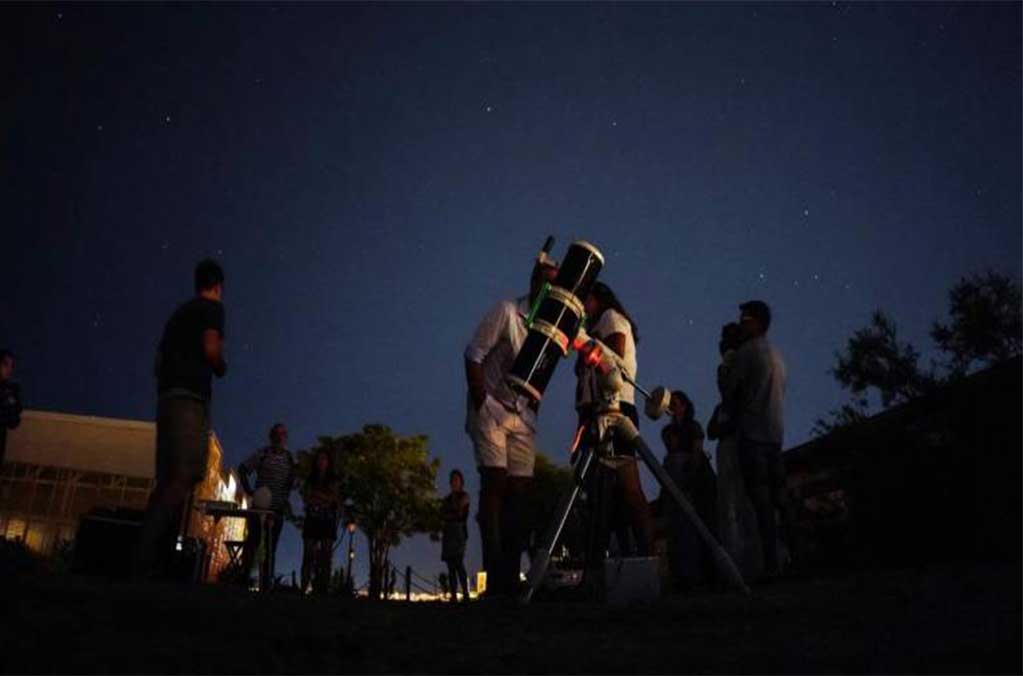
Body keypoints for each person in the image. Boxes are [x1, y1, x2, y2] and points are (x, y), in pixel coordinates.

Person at [464, 254, 557, 596]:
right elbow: (473, 354)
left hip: (522, 415)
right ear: (534, 282)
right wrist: (481, 401)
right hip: (492, 406)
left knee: (521, 494)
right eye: (547, 281)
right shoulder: (506, 312)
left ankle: (509, 573)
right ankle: (493, 571)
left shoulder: (550, 327)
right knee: (495, 483)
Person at [135, 259, 227, 579]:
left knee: (168, 478)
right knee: (184, 475)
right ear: (218, 286)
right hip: (190, 398)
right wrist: (220, 366)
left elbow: (158, 362)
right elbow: (211, 349)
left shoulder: (177, 314)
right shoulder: (212, 309)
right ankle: (145, 558)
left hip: (167, 397)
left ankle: (152, 560)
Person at [574, 282, 654, 565]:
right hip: (598, 410)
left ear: (597, 299)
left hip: (617, 408)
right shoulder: (600, 325)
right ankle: (608, 563)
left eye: (585, 300)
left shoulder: (610, 318)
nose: (583, 307)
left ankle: (649, 556)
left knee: (630, 489)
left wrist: (587, 341)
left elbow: (614, 358)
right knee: (603, 495)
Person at [721, 300, 790, 579]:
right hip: (775, 434)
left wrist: (727, 364)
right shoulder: (778, 355)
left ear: (757, 323)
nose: (741, 324)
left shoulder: (746, 353)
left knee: (760, 503)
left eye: (745, 319)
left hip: (752, 435)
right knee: (780, 501)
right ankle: (793, 557)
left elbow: (729, 391)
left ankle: (770, 565)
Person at [710, 323, 763, 579]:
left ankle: (744, 566)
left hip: (738, 440)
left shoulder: (736, 362)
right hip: (743, 438)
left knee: (738, 504)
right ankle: (746, 564)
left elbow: (731, 392)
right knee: (740, 503)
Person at [661, 390, 717, 590]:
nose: (672, 407)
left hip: (699, 482)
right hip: (678, 478)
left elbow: (696, 454)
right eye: (671, 404)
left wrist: (689, 480)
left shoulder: (694, 427)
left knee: (704, 526)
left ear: (685, 406)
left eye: (676, 403)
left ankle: (708, 573)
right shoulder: (668, 432)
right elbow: (672, 451)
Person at [238, 422, 296, 590]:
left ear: (286, 438)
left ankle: (266, 584)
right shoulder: (262, 454)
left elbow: (291, 479)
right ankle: (243, 578)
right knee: (253, 542)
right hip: (258, 507)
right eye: (276, 434)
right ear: (271, 437)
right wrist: (249, 490)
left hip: (276, 509)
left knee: (272, 546)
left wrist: (285, 497)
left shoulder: (289, 459)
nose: (280, 437)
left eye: (283, 434)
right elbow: (243, 468)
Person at [300, 449, 340, 595]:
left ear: (328, 462)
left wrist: (318, 496)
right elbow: (307, 497)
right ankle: (303, 587)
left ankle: (323, 589)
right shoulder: (311, 479)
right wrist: (325, 498)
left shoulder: (333, 479)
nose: (321, 462)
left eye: (324, 459)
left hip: (327, 519)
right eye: (319, 459)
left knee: (326, 556)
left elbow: (334, 498)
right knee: (308, 555)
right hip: (312, 519)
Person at [441, 469, 471, 602]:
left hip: (459, 533)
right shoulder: (447, 499)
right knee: (450, 566)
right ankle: (454, 595)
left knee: (458, 563)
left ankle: (465, 594)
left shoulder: (464, 496)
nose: (454, 482)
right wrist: (452, 514)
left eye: (457, 480)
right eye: (453, 480)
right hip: (449, 533)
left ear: (461, 482)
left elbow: (460, 514)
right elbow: (444, 515)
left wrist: (451, 514)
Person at [0, 349, 23, 467]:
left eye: (11, 366)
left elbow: (14, 420)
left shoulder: (10, 390)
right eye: (5, 364)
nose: (9, 369)